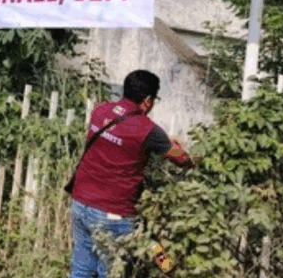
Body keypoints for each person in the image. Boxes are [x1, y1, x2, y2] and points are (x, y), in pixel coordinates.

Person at [68, 69, 194, 278]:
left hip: (80, 203)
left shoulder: (100, 111)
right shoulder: (147, 130)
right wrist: (192, 158)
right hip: (112, 214)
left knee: (81, 270)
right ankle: (172, 269)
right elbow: (181, 159)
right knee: (114, 270)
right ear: (147, 101)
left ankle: (167, 266)